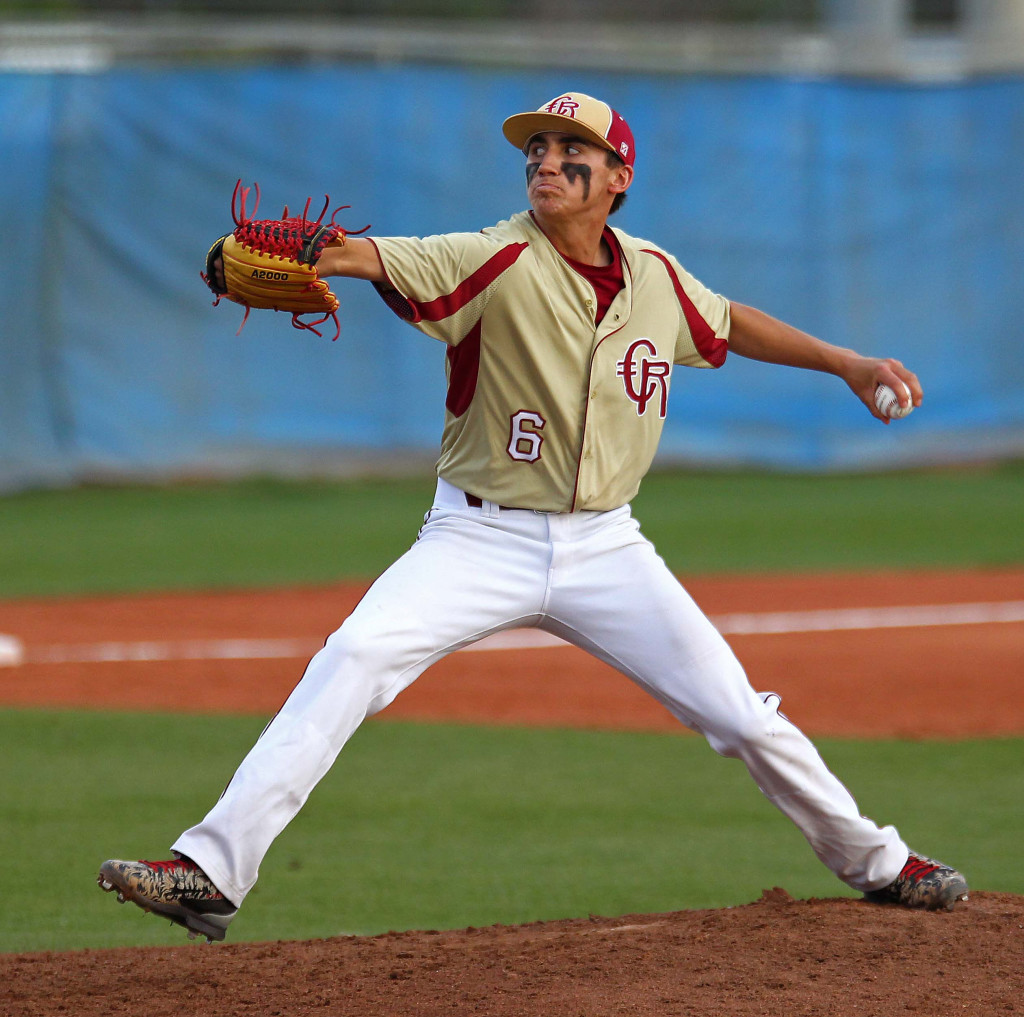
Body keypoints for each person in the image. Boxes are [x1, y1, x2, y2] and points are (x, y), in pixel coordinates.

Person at [98, 91, 968, 943]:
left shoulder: (656, 276)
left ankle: (881, 863)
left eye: (570, 153)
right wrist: (323, 254)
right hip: (477, 536)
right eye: (536, 153)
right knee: (357, 654)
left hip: (607, 546)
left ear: (618, 176)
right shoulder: (494, 255)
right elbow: (376, 255)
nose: (547, 163)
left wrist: (847, 361)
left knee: (740, 714)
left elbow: (728, 321)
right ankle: (209, 873)